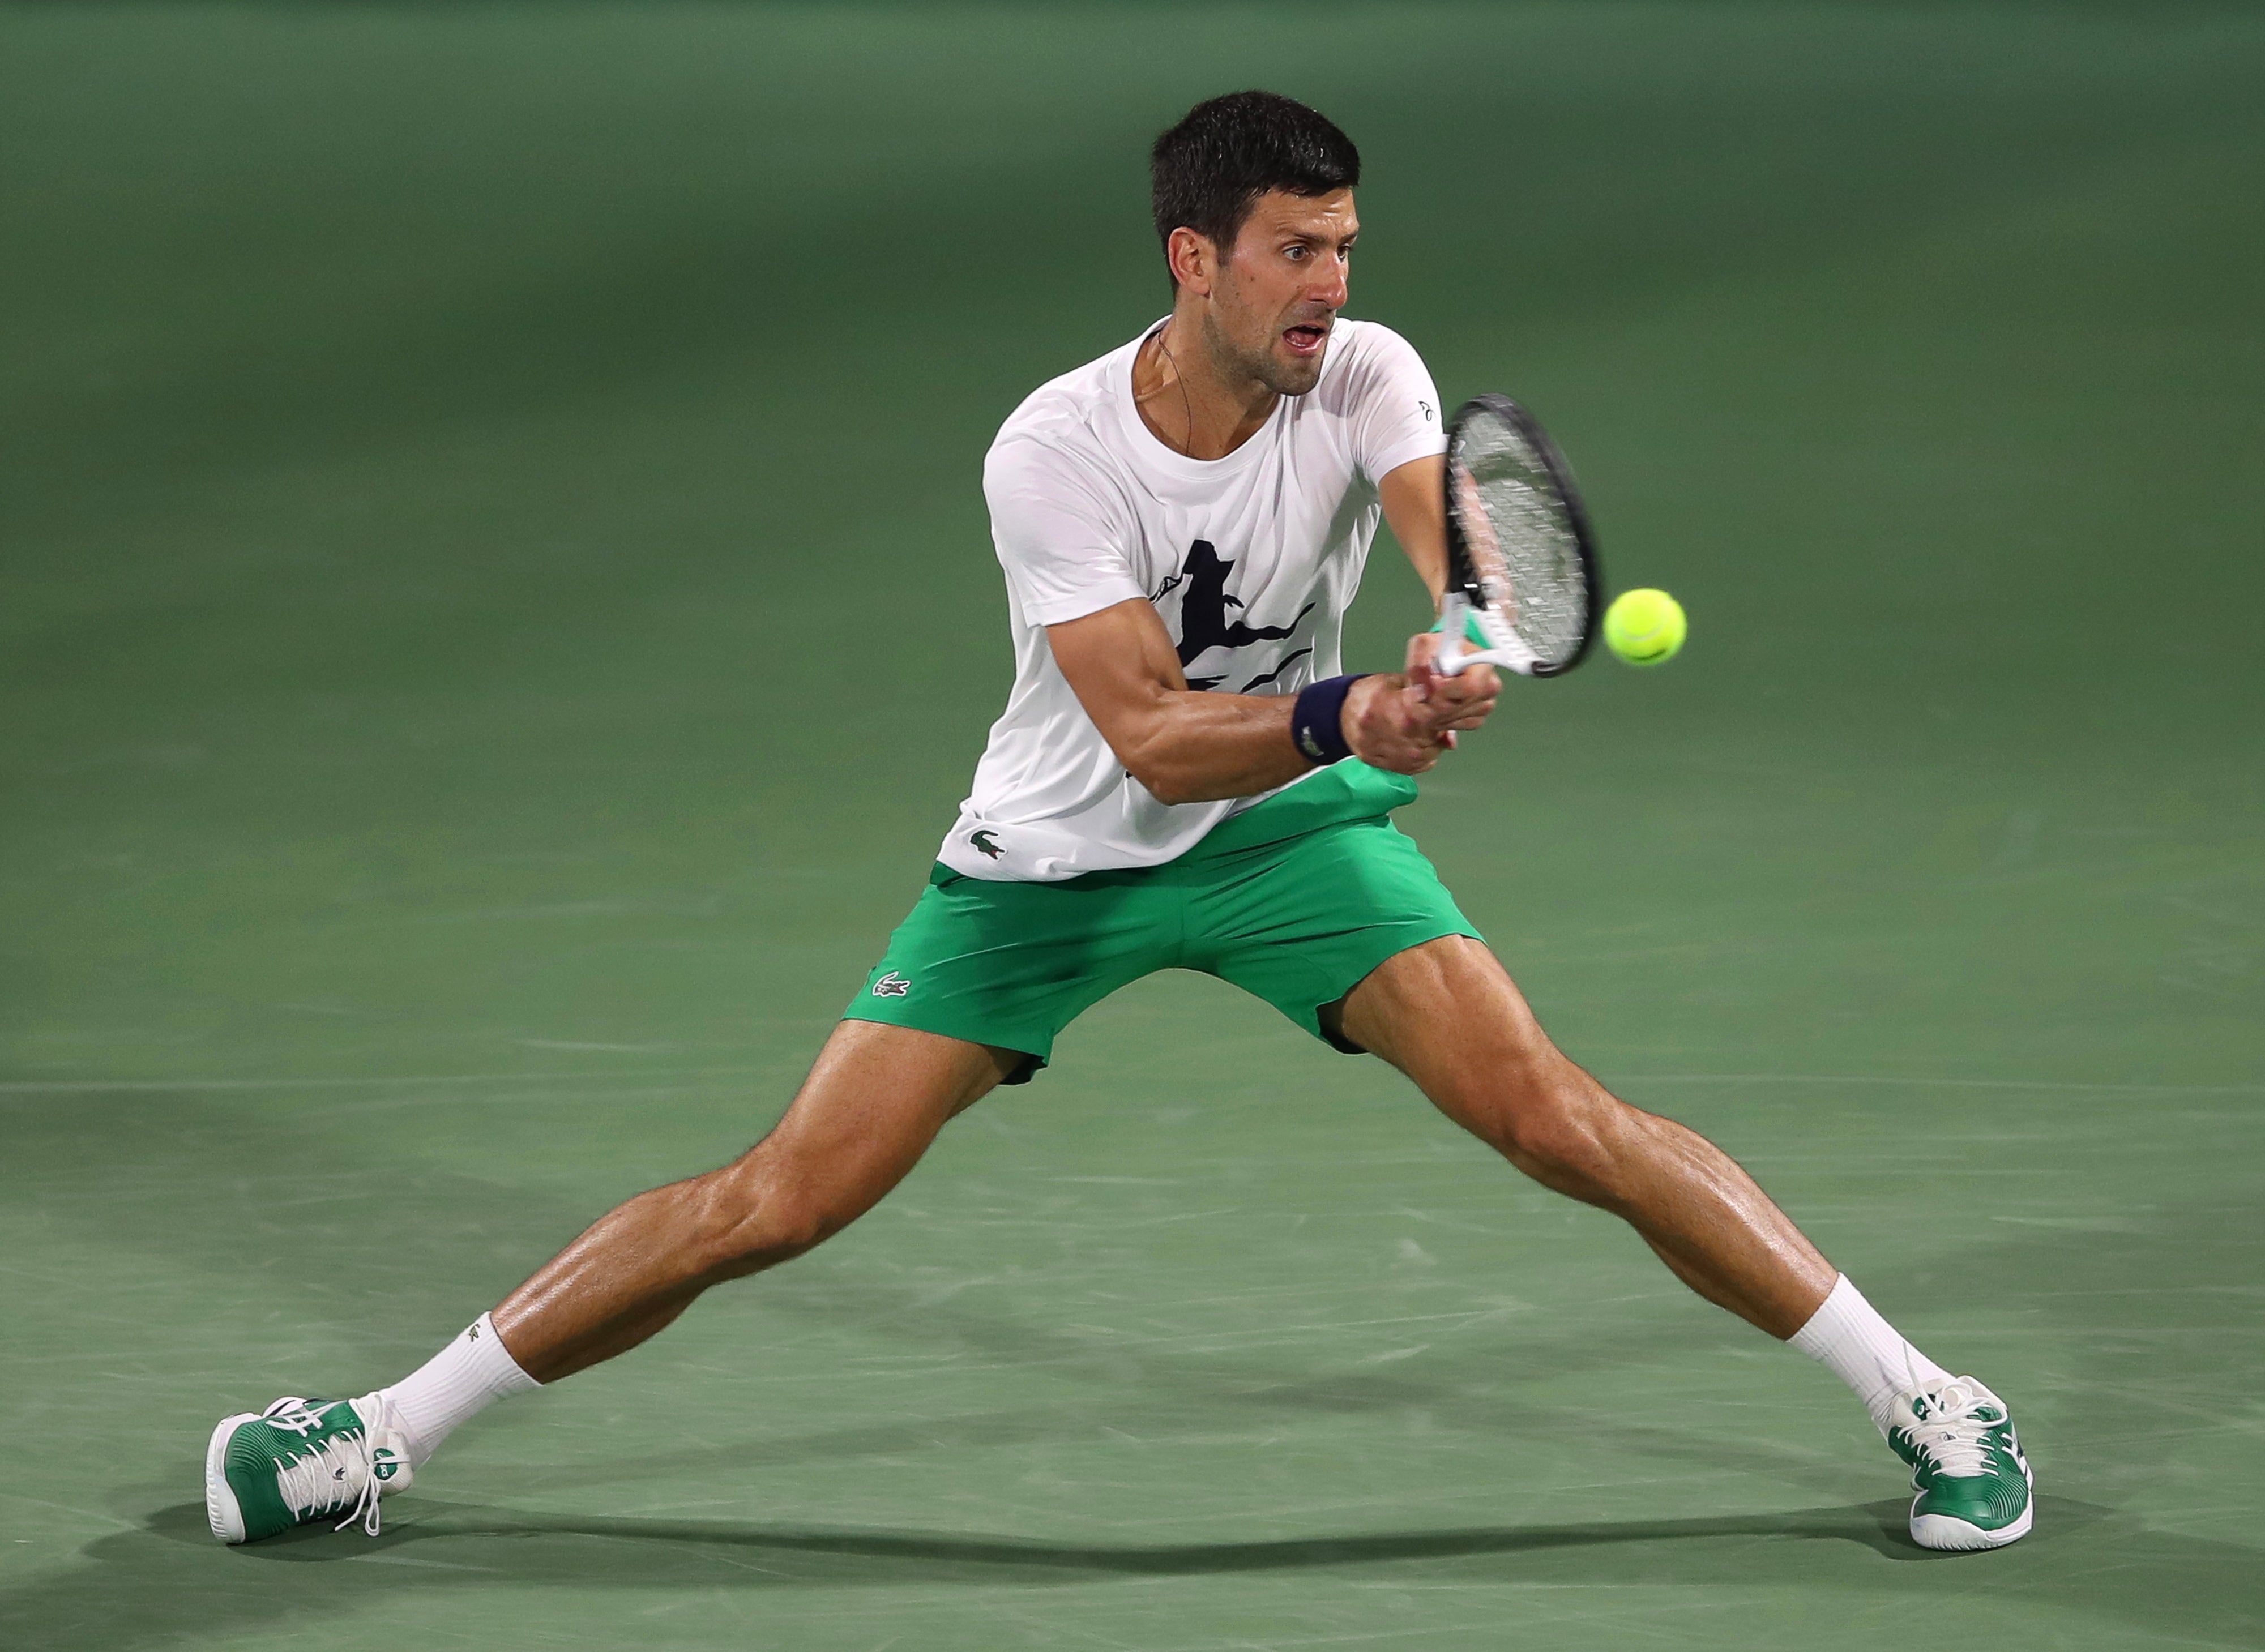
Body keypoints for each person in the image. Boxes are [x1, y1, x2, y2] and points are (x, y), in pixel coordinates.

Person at [204, 90, 2031, 1555]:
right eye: (1296, 253)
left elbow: (1444, 540)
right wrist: (1353, 707)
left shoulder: (1369, 371)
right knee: (776, 1200)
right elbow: (1153, 737)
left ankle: (1932, 1402)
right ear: (1196, 257)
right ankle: (381, 1438)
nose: (1331, 284)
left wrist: (1453, 641)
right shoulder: (1054, 452)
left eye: (1346, 248)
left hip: (1294, 843)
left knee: (1559, 1117)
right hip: (1057, 863)